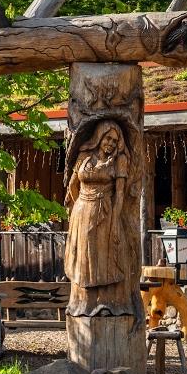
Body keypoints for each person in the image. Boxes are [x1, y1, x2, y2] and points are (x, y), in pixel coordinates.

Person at [64, 117, 138, 318]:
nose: (111, 144)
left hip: (104, 211)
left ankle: (107, 301)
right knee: (84, 254)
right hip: (82, 209)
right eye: (108, 139)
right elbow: (73, 184)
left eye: (115, 141)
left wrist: (114, 220)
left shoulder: (119, 160)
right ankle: (84, 302)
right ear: (99, 137)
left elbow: (120, 194)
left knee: (102, 255)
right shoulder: (85, 156)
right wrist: (77, 205)